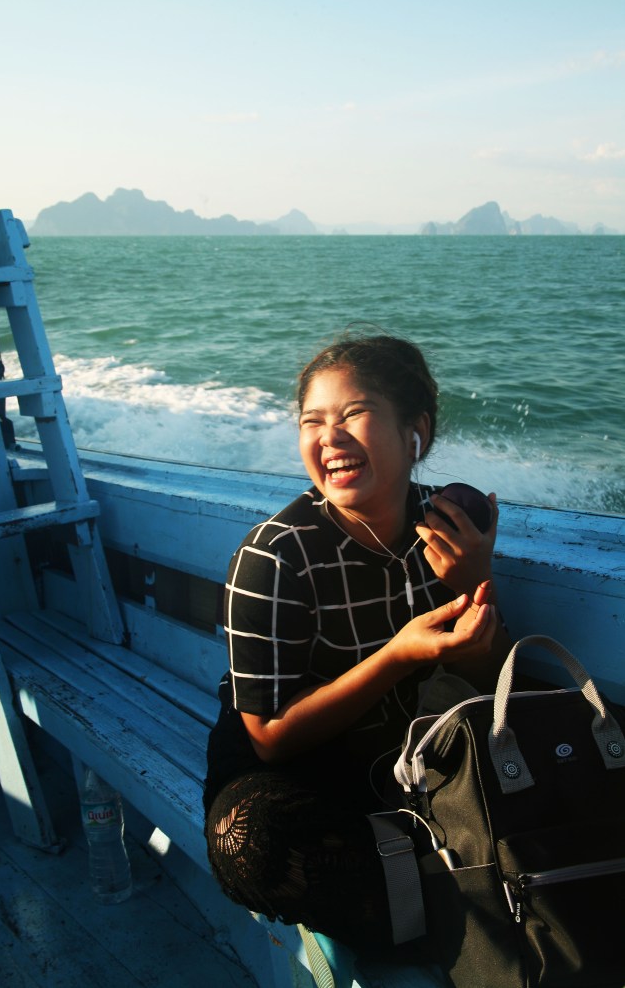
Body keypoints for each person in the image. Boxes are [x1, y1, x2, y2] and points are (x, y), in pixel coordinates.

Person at [203, 330, 510, 952]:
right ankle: (443, 914)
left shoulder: (448, 527)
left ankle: (423, 895)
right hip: (303, 773)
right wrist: (398, 655)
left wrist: (478, 581)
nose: (329, 437)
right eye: (312, 421)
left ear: (414, 432)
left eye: (355, 414)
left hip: (417, 761)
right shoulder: (277, 555)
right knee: (251, 842)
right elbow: (269, 737)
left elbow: (489, 681)